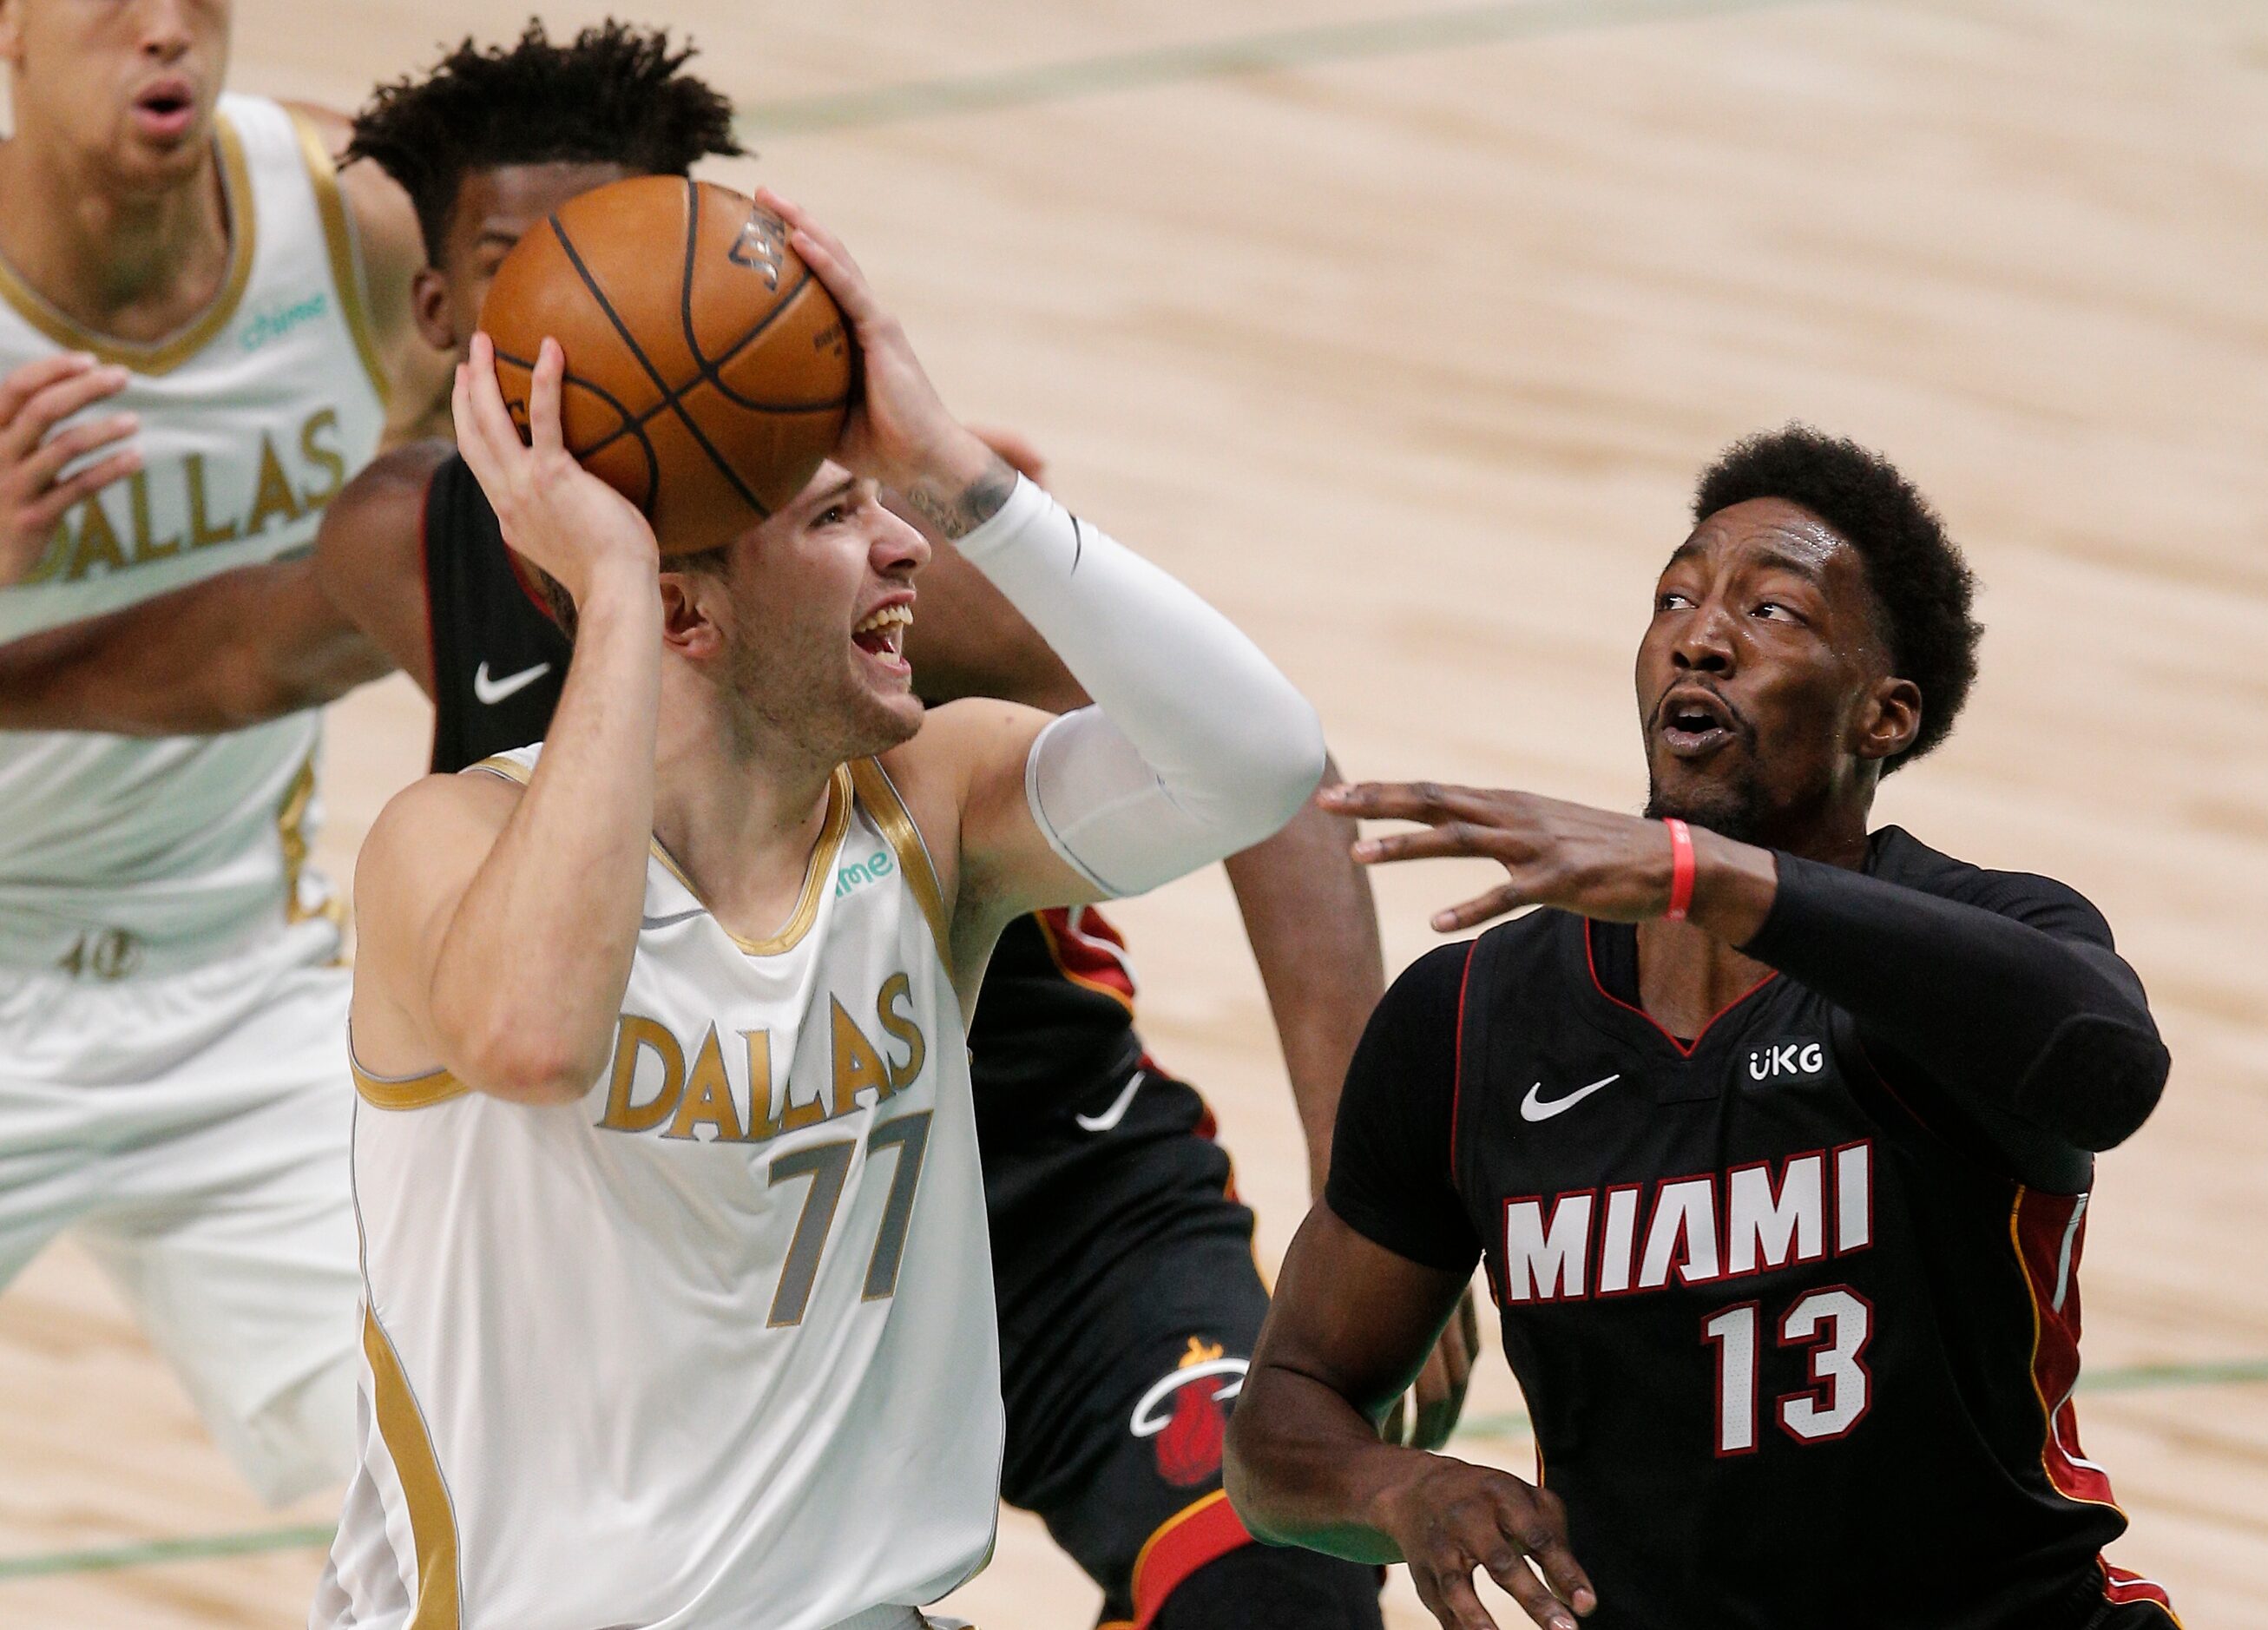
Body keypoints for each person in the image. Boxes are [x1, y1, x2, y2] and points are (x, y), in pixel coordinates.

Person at [0, 23, 1464, 1623]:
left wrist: (1362, 1189)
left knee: (1278, 1592)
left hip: (1040, 1190)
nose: (589, 307)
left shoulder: (909, 694)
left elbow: (1265, 768)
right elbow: (230, 663)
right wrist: (624, 588)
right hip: (640, 1291)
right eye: (527, 267)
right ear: (442, 319)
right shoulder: (440, 764)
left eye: (625, 252)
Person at [313, 186, 1327, 1627]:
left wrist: (962, 469)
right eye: (842, 516)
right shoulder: (445, 841)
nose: (906, 548)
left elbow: (1262, 763)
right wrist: (608, 586)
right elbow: (535, 1034)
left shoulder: (933, 806)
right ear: (682, 613)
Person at [1224, 427, 2183, 1630]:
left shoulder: (1970, 942)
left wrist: (1710, 878)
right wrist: (1400, 1487)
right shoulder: (1472, 1019)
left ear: (1883, 717)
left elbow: (2111, 1066)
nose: (1702, 632)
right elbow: (1281, 1417)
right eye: (1674, 596)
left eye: (1774, 611)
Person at [0, 0, 430, 1503]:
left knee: (478, 1453)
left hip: (236, 982)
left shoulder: (345, 225)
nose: (163, 26)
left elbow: (505, 444)